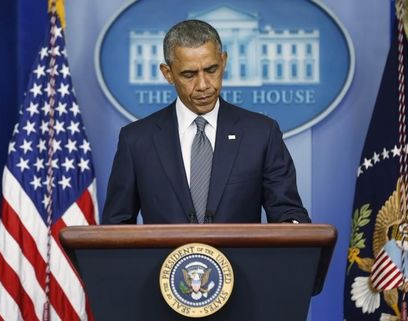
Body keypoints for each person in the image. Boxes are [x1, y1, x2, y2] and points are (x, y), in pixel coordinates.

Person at [102, 19, 310, 224]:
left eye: (211, 70)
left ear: (224, 61)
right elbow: (116, 228)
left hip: (238, 259)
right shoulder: (136, 140)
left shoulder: (261, 133)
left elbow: (288, 213)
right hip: (164, 259)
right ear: (168, 74)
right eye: (189, 74)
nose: (203, 85)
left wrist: (293, 229)